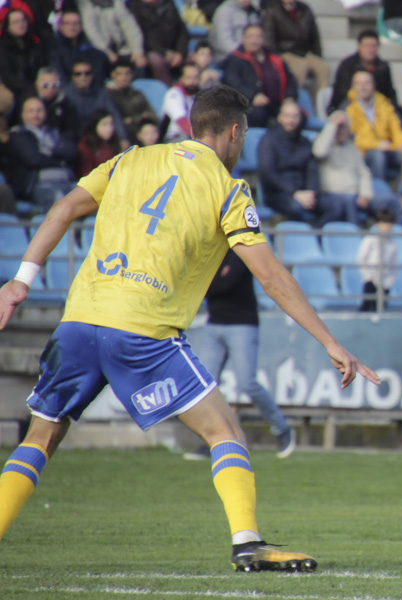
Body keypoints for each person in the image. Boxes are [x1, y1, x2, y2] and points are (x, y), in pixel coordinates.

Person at [0, 85, 379, 571]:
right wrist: (330, 341)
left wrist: (19, 281)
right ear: (234, 132)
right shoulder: (226, 188)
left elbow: (62, 209)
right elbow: (270, 274)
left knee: (39, 439)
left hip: (79, 321)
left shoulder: (128, 160)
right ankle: (247, 543)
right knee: (225, 432)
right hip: (142, 329)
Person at [188, 250, 297, 459]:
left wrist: (202, 284)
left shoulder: (240, 252)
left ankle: (281, 428)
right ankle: (215, 441)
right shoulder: (209, 252)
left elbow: (224, 284)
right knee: (205, 386)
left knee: (248, 383)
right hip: (213, 325)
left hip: (241, 325)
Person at [313, 111, 402, 224]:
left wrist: (365, 194)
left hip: (356, 195)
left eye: (343, 127)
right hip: (333, 195)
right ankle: (355, 238)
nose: (340, 131)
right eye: (337, 127)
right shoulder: (323, 144)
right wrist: (332, 125)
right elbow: (319, 152)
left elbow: (363, 173)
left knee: (392, 201)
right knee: (349, 200)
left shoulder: (352, 149)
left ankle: (400, 238)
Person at [6, 96, 77, 210]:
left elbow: (71, 151)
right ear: (23, 114)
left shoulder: (55, 132)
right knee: (58, 199)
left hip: (66, 181)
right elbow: (33, 159)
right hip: (39, 185)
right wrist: (60, 162)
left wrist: (50, 152)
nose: (35, 114)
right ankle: (67, 228)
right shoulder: (18, 134)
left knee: (90, 196)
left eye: (39, 110)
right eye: (31, 111)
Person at [222, 24, 298, 128]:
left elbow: (290, 79)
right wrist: (253, 96)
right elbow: (233, 84)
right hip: (250, 106)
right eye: (251, 37)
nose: (255, 41)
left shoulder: (274, 57)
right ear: (244, 39)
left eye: (258, 37)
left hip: (278, 105)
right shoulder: (235, 60)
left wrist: (290, 97)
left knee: (298, 117)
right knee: (259, 115)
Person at [258, 100, 321, 222]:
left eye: (295, 116)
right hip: (277, 193)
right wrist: (294, 193)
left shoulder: (305, 142)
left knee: (335, 206)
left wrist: (311, 193)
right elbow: (268, 173)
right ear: (279, 118)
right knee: (295, 208)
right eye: (287, 116)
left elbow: (312, 170)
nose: (291, 120)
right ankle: (294, 239)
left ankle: (316, 238)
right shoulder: (268, 140)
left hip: (304, 193)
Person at [345, 69, 402, 180]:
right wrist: (376, 144)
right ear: (353, 86)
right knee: (377, 156)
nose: (363, 87)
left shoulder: (384, 104)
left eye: (367, 83)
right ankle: (380, 193)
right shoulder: (348, 107)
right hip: (362, 151)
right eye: (359, 83)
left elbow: (396, 128)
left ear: (374, 85)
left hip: (387, 148)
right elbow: (351, 138)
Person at [262, 0, 328, 101]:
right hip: (284, 52)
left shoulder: (305, 9)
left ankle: (317, 103)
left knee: (323, 69)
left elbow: (315, 36)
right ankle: (296, 103)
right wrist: (275, 57)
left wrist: (317, 55)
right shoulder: (272, 9)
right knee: (300, 68)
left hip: (304, 53)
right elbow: (269, 39)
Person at [330, 31, 398, 114]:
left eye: (374, 46)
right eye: (367, 46)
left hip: (378, 105)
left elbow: (389, 93)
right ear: (359, 47)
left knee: (399, 114)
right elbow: (341, 93)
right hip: (351, 105)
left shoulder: (383, 67)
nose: (371, 50)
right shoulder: (347, 65)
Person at [62, 58, 129, 142]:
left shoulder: (101, 93)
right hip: (75, 140)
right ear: (72, 76)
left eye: (87, 73)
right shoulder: (65, 95)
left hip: (101, 139)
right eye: (78, 74)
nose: (83, 77)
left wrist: (123, 138)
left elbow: (114, 115)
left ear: (92, 75)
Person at [127, 0, 189, 85]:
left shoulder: (169, 4)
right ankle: (167, 89)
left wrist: (180, 52)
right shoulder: (134, 7)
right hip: (152, 50)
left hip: (175, 50)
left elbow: (183, 31)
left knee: (197, 58)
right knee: (156, 60)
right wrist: (164, 52)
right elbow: (142, 36)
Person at [75, 0, 147, 72]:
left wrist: (137, 51)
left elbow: (131, 28)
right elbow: (91, 31)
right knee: (99, 60)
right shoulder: (86, 4)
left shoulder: (117, 3)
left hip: (121, 47)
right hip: (99, 48)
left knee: (139, 62)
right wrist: (107, 51)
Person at [48, 9, 111, 86]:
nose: (72, 27)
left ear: (81, 26)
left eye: (76, 23)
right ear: (61, 26)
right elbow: (59, 75)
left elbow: (98, 74)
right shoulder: (53, 48)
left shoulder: (90, 47)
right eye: (67, 23)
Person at [18, 67, 78, 142]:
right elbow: (21, 124)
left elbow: (71, 128)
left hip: (57, 141)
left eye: (54, 85)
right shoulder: (28, 100)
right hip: (31, 139)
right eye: (46, 86)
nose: (50, 89)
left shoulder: (64, 101)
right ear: (37, 85)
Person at [0, 9, 49, 100]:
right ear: (8, 27)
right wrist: (31, 89)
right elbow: (8, 77)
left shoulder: (35, 45)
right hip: (14, 91)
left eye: (23, 20)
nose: (21, 24)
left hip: (37, 88)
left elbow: (42, 68)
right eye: (16, 22)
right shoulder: (2, 48)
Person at [356, 209, 398, 312]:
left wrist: (390, 281)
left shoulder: (393, 244)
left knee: (380, 308)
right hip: (371, 279)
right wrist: (367, 276)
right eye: (384, 222)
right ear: (377, 224)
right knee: (366, 306)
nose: (387, 226)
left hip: (385, 281)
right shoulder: (369, 239)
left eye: (389, 223)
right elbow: (361, 259)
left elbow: (394, 265)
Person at [105, 59, 158, 139]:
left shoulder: (138, 94)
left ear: (132, 75)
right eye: (120, 74)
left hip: (143, 137)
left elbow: (153, 117)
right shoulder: (107, 95)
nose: (124, 77)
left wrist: (133, 119)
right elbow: (117, 122)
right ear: (113, 75)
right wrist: (141, 117)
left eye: (127, 74)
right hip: (120, 138)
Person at [76, 110, 125, 178]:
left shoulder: (114, 143)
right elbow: (86, 173)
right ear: (95, 125)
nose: (109, 128)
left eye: (111, 124)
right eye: (104, 125)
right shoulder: (86, 145)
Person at [163, 64, 201, 142]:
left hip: (192, 136)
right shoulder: (174, 94)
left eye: (196, 78)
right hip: (175, 138)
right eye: (189, 78)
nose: (192, 82)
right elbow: (182, 121)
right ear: (182, 78)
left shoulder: (198, 95)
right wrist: (200, 137)